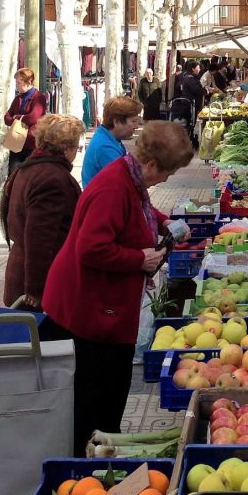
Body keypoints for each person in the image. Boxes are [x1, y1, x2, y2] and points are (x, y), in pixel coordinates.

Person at [41, 120, 195, 451]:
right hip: (87, 314)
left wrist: (163, 220)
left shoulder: (129, 176)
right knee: (96, 404)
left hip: (100, 309)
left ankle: (97, 463)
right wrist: (138, 259)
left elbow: (138, 207)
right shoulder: (114, 186)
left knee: (108, 395)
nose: (167, 179)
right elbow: (91, 248)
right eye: (167, 172)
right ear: (152, 164)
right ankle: (88, 473)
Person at [2, 114, 85, 309]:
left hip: (24, 272)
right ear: (66, 148)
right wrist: (35, 290)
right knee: (42, 338)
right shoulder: (52, 178)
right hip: (39, 283)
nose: (78, 151)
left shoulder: (29, 168)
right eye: (76, 146)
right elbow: (39, 239)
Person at [82, 96, 143, 187]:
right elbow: (127, 182)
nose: (136, 126)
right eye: (133, 121)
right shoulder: (105, 147)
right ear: (117, 122)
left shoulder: (109, 138)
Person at [4, 68, 48, 174]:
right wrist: (22, 118)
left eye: (19, 82)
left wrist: (16, 117)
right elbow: (6, 118)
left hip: (31, 143)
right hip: (16, 142)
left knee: (29, 175)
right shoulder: (18, 98)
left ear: (28, 81)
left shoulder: (39, 98)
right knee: (12, 175)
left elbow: (33, 117)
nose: (17, 85)